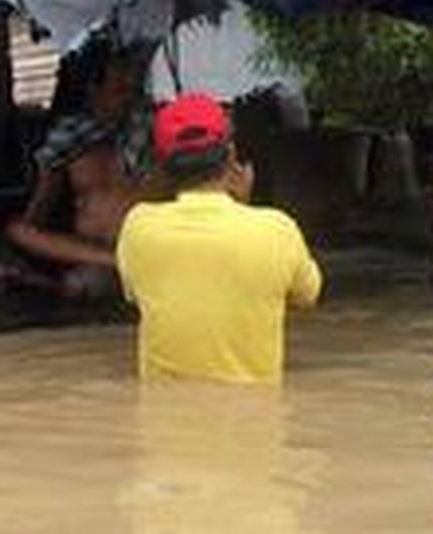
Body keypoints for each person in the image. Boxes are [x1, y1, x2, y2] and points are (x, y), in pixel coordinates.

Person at [116, 92, 322, 384]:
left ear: (161, 164)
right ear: (231, 154)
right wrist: (244, 205)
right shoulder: (277, 230)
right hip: (254, 420)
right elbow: (307, 295)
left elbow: (134, 294)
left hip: (165, 421)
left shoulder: (137, 227)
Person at [0, 42, 154, 294]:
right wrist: (24, 245)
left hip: (144, 243)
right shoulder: (69, 135)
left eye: (131, 90)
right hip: (92, 252)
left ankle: (124, 263)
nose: (127, 98)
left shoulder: (147, 128)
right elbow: (40, 206)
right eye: (119, 90)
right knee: (18, 230)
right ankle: (115, 262)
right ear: (94, 90)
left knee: (85, 283)